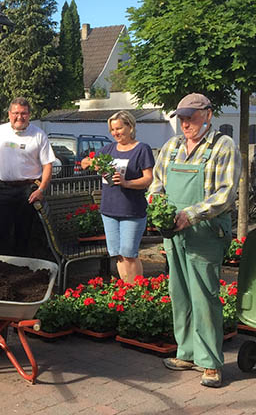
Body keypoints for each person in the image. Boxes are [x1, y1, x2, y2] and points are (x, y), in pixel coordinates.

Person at [150, 93, 241, 389]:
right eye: (183, 118)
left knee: (204, 296)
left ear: (208, 115)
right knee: (180, 293)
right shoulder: (172, 146)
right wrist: (156, 205)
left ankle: (211, 362)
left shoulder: (222, 146)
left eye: (192, 117)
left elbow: (225, 194)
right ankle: (186, 352)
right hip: (174, 233)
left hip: (206, 232)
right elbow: (157, 183)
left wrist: (190, 214)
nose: (186, 123)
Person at [0, 97, 56, 256]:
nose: (19, 117)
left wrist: (41, 189)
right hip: (3, 189)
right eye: (16, 113)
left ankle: (21, 273)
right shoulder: (0, 132)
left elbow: (48, 164)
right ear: (9, 114)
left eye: (24, 113)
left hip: (28, 191)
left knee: (24, 234)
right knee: (0, 233)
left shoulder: (39, 135)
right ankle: (0, 269)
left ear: (29, 115)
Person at [79, 111, 154, 283]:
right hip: (109, 210)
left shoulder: (142, 149)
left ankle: (138, 291)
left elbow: (148, 179)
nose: (115, 133)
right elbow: (84, 162)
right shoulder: (108, 149)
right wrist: (91, 163)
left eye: (119, 128)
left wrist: (126, 183)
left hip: (132, 210)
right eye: (113, 130)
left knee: (129, 253)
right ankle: (127, 290)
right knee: (118, 254)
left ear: (130, 126)